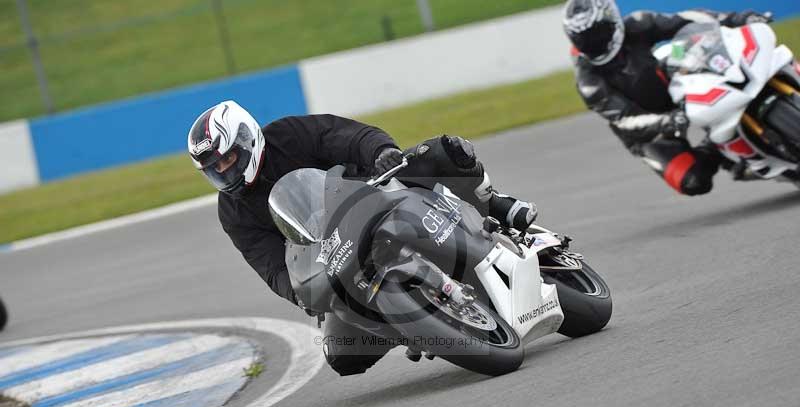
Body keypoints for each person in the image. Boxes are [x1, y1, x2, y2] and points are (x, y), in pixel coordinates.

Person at [187, 101, 537, 375]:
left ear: (247, 138)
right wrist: (301, 294)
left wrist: (379, 152)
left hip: (375, 197)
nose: (224, 171)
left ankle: (496, 205)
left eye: (228, 158)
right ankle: (417, 324)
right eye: (213, 168)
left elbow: (347, 136)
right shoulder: (232, 211)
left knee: (444, 151)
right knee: (342, 354)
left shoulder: (290, 134)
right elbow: (270, 266)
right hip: (339, 258)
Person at [563, 0, 771, 195]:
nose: (593, 42)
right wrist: (670, 121)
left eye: (598, 33)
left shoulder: (638, 23)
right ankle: (719, 149)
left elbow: (688, 19)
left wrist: (737, 19)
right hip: (648, 130)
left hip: (673, 84)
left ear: (613, 20)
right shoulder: (589, 83)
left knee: (696, 54)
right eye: (584, 39)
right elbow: (627, 120)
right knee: (693, 181)